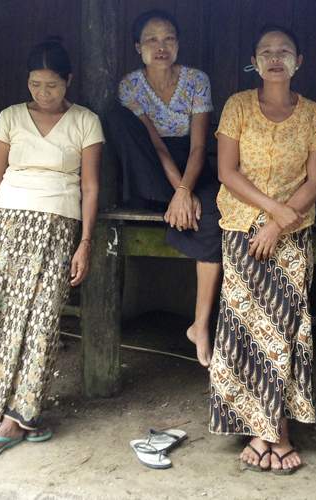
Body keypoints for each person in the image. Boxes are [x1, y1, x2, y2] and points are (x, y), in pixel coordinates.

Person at [0, 37, 104, 458]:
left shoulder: (85, 121)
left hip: (58, 224)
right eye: (35, 85)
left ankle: (19, 416)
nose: (43, 93)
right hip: (8, 221)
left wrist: (85, 243)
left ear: (69, 81)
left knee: (42, 319)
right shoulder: (10, 116)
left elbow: (91, 185)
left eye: (52, 86)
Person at [209, 25, 316, 474]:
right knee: (247, 329)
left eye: (284, 51)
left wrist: (280, 224)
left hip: (293, 233)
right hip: (243, 227)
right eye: (266, 52)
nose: (275, 58)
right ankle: (267, 428)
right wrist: (270, 214)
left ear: (299, 61)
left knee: (285, 329)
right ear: (254, 61)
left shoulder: (313, 112)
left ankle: (271, 428)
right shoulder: (238, 106)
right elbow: (227, 171)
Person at [106, 10, 221, 367]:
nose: (161, 46)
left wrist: (186, 188)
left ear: (178, 44)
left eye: (168, 38)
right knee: (115, 118)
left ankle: (200, 325)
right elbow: (154, 145)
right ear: (138, 46)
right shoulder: (131, 85)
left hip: (192, 161)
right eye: (152, 40)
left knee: (215, 215)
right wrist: (179, 192)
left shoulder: (196, 81)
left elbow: (200, 147)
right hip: (150, 164)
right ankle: (168, 202)